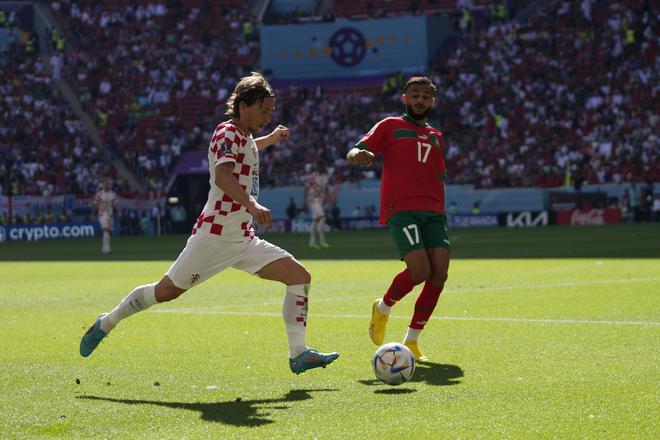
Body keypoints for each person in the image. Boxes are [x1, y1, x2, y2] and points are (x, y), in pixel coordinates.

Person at [80, 73, 339, 375]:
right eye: (264, 111)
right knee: (165, 292)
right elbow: (222, 176)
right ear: (243, 106)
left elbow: (251, 148)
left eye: (271, 111)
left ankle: (299, 353)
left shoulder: (245, 138)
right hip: (214, 237)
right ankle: (107, 321)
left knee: (299, 276)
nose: (269, 117)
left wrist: (272, 139)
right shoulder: (226, 132)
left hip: (243, 238)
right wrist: (252, 204)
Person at [346, 76, 450, 362]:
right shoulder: (390, 125)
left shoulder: (436, 137)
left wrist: (441, 209)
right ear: (405, 98)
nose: (420, 100)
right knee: (419, 271)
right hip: (401, 208)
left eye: (425, 97)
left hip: (433, 212)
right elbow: (358, 148)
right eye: (414, 95)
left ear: (432, 101)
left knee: (439, 273)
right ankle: (383, 307)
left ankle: (413, 340)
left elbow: (439, 175)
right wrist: (358, 155)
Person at [302, 164, 330, 249]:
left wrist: (327, 198)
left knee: (315, 220)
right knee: (322, 218)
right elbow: (306, 188)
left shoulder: (325, 177)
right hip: (313, 200)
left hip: (320, 201)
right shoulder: (313, 176)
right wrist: (305, 202)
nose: (321, 168)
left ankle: (312, 242)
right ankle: (322, 240)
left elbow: (326, 189)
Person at [92, 178, 118, 253]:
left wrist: (119, 211)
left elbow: (115, 204)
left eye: (108, 184)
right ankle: (106, 249)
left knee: (108, 232)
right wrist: (93, 213)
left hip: (110, 214)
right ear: (103, 185)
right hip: (102, 214)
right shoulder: (99, 194)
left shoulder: (113, 194)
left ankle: (105, 247)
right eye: (105, 184)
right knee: (106, 229)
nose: (107, 185)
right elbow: (95, 204)